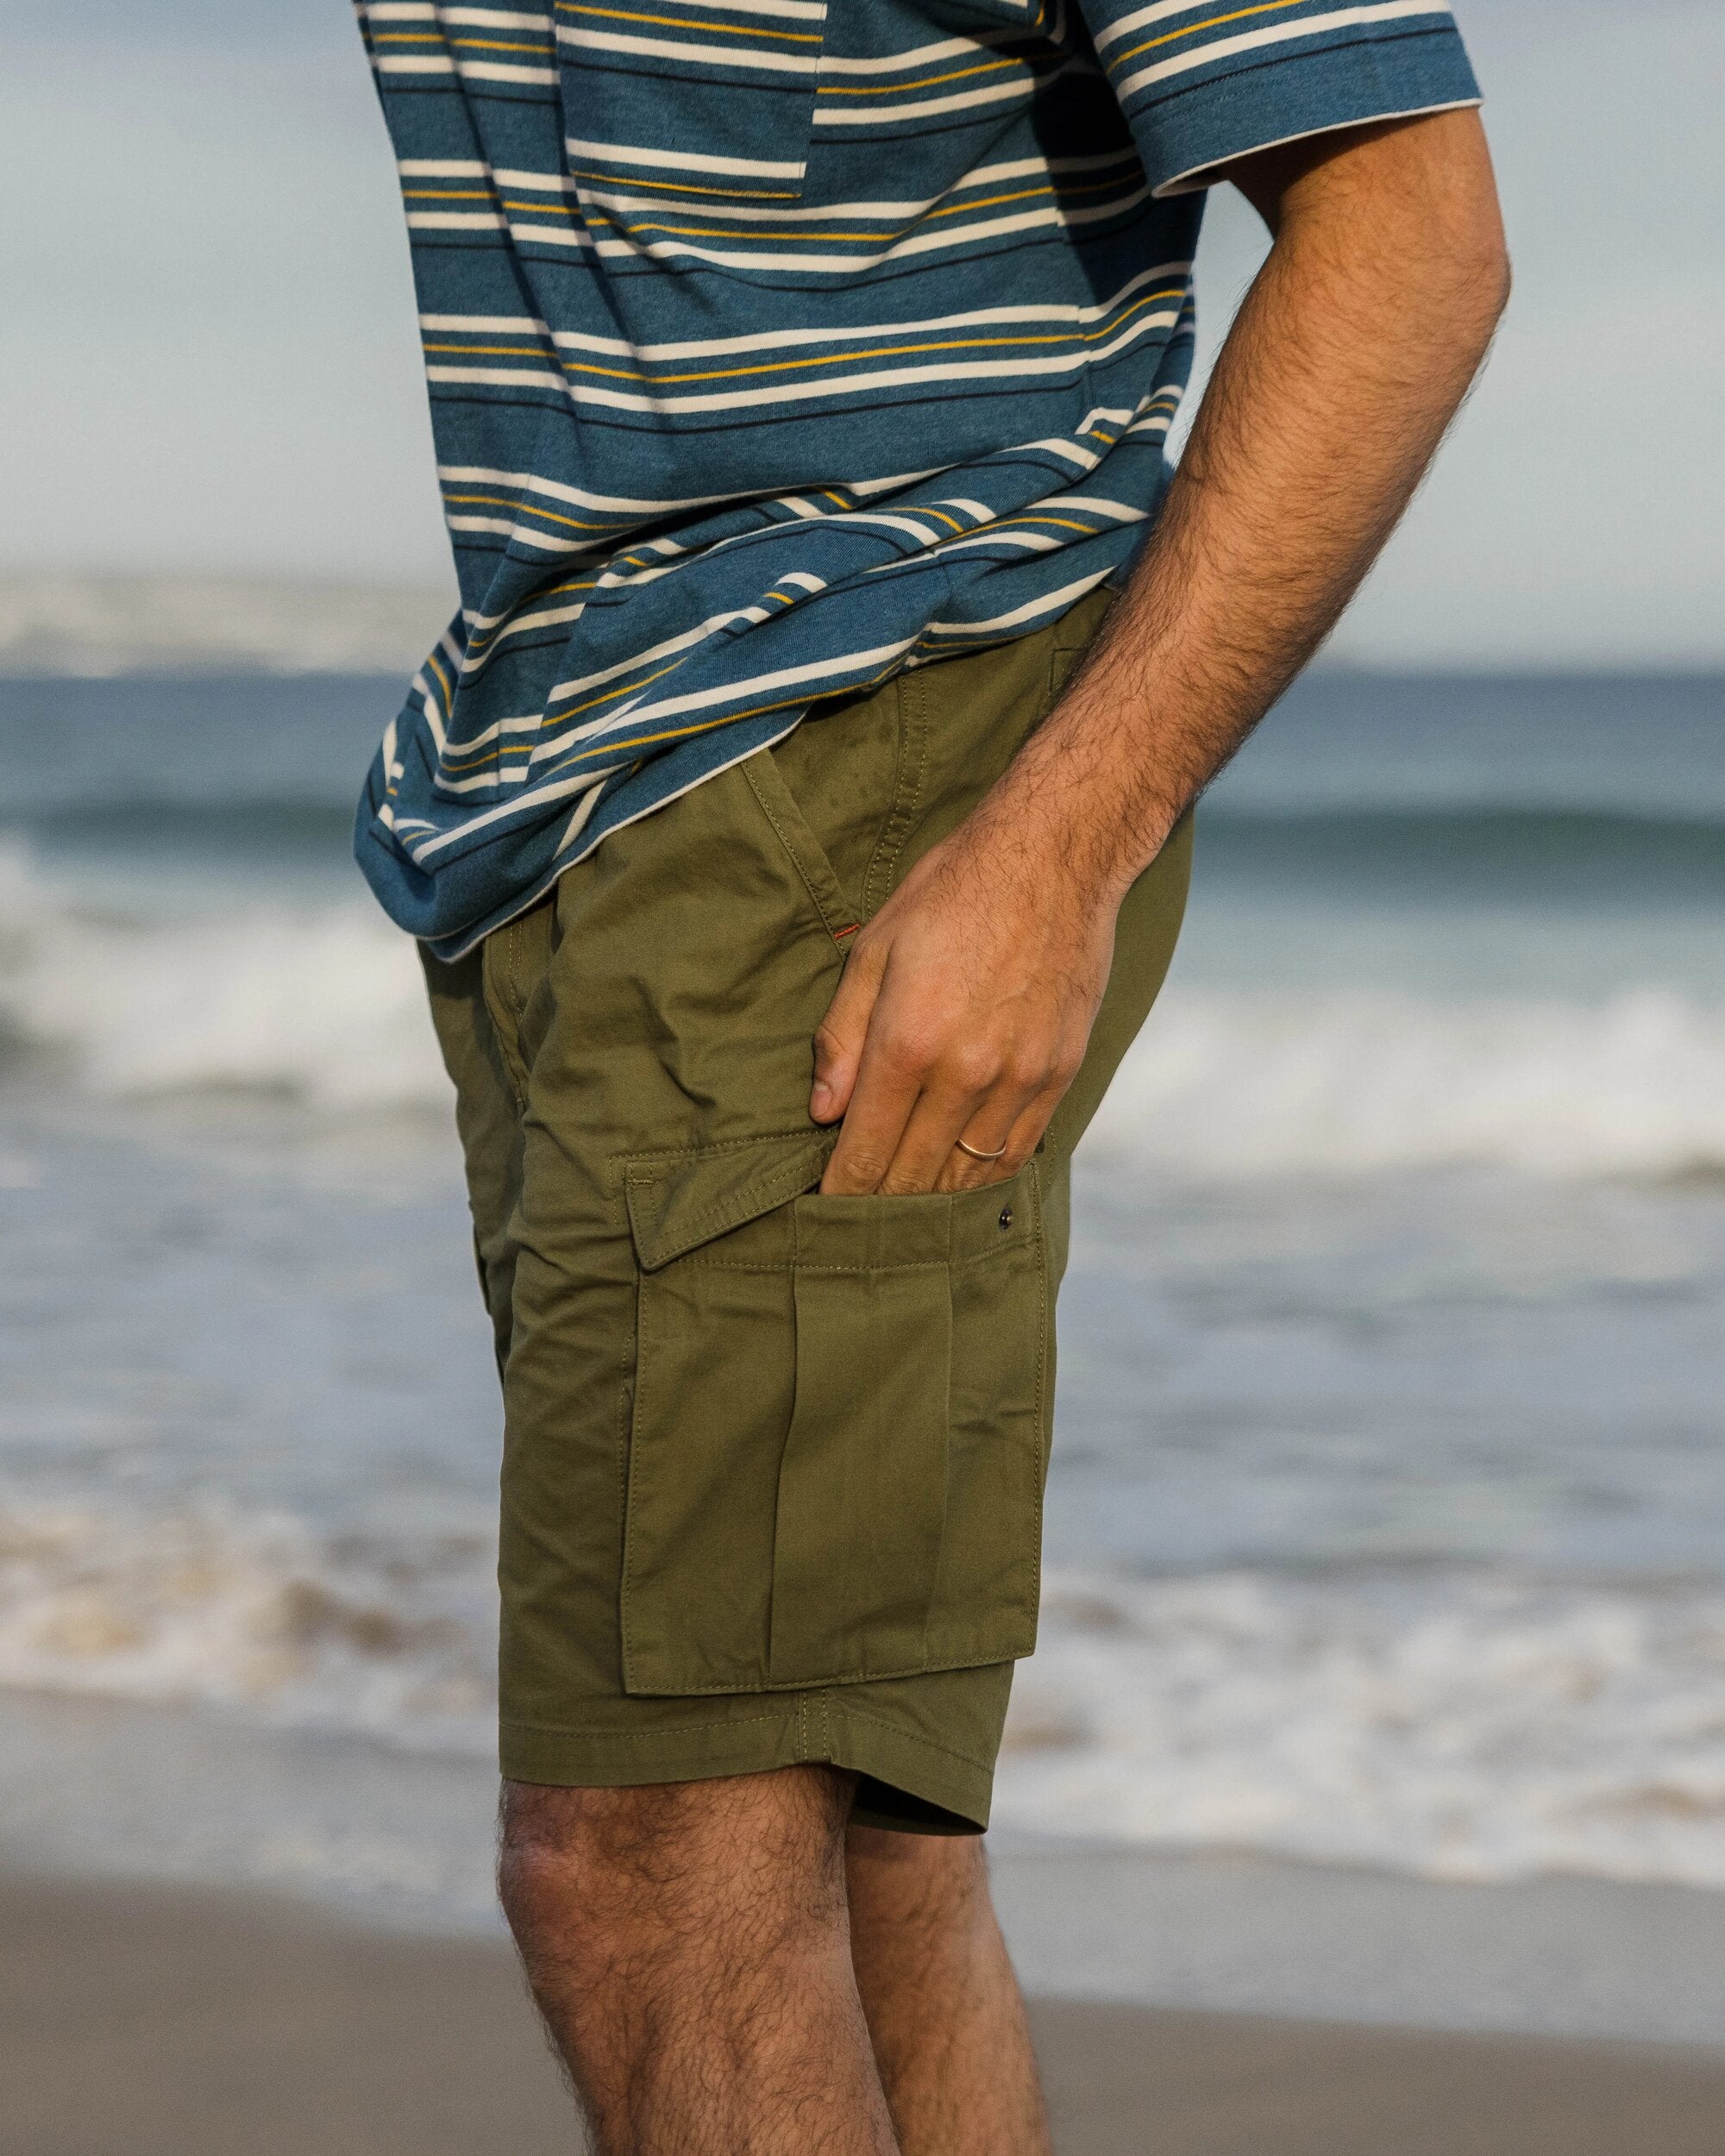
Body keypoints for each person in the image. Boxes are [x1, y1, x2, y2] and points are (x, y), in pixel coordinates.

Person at [352, 2, 1507, 2147]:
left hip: (855, 766)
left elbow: (1408, 219)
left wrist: (1062, 846)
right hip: (555, 799)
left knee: (642, 1858)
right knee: (853, 1829)